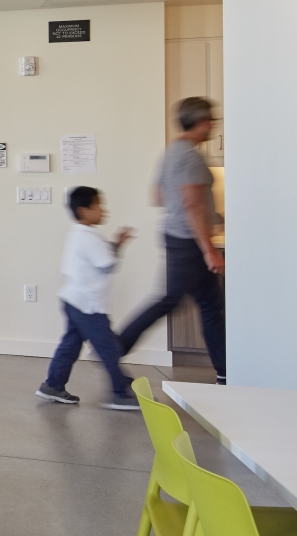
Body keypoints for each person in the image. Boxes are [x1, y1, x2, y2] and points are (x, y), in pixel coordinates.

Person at [115, 97, 227, 382]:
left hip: (177, 235)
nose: (213, 125)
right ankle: (113, 349)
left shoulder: (172, 151)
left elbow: (159, 195)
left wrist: (214, 216)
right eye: (211, 120)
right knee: (169, 300)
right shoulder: (190, 156)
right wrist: (210, 250)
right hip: (189, 242)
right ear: (201, 122)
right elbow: (192, 205)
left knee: (210, 306)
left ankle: (226, 371)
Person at [37, 186, 138, 410]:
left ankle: (53, 385)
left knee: (70, 346)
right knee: (107, 348)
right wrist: (117, 247)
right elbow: (107, 263)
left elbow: (101, 257)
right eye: (98, 206)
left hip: (74, 300)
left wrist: (115, 244)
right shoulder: (89, 237)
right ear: (84, 210)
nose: (104, 211)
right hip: (88, 305)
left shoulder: (80, 233)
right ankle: (120, 392)